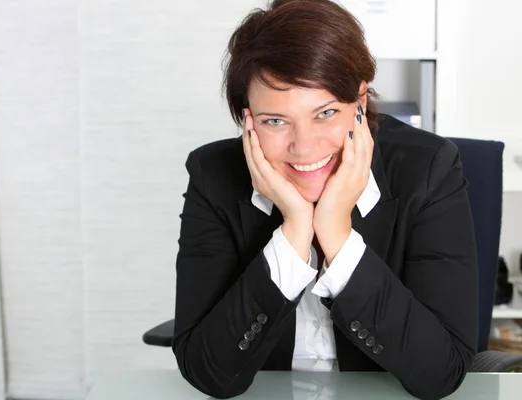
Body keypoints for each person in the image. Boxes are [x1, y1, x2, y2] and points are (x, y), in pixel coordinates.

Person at [172, 1, 478, 399]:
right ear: (248, 120)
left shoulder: (429, 170)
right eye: (275, 121)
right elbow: (207, 373)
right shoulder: (213, 176)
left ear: (360, 102)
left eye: (326, 112)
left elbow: (443, 373)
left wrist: (336, 232)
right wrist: (295, 229)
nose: (304, 147)